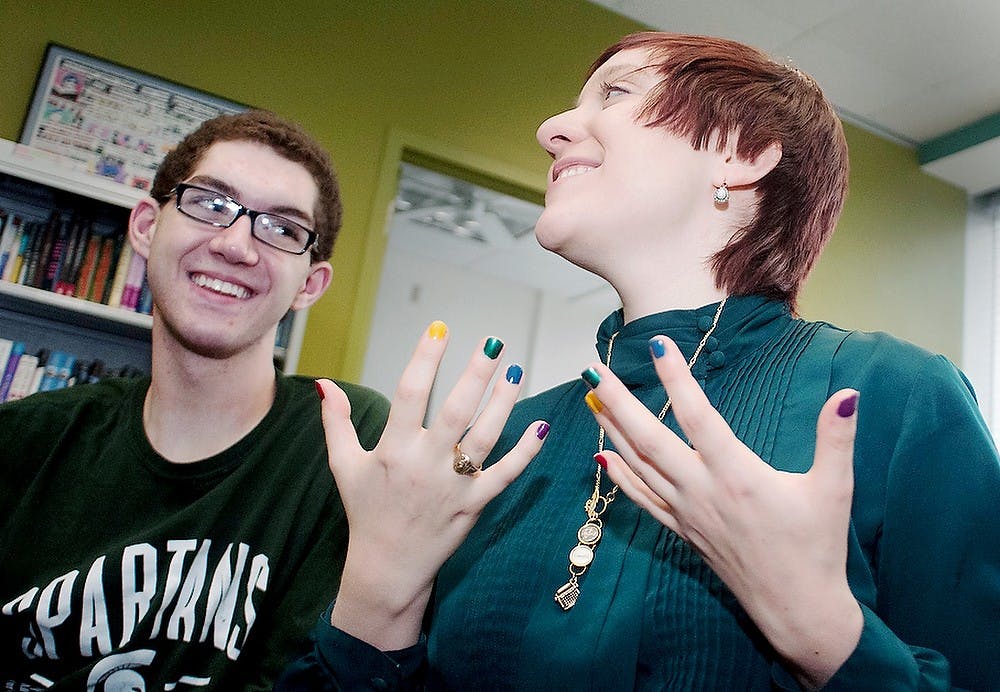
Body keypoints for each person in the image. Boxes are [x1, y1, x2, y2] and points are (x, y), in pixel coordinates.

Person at [282, 32, 1000, 690]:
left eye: (616, 93)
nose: (550, 130)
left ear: (743, 153)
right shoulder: (508, 444)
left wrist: (823, 631)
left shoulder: (890, 397)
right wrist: (377, 593)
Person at [0, 111, 389, 688]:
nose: (236, 245)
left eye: (282, 229)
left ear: (310, 285)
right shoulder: (22, 441)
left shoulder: (343, 439)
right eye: (210, 203)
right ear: (146, 226)